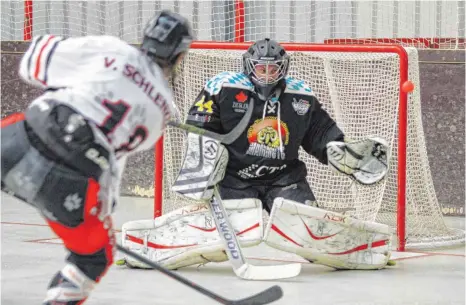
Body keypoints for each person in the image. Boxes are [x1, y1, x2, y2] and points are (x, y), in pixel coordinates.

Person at [120, 38, 392, 272]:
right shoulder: (223, 87)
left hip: (286, 179)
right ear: (249, 67)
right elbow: (199, 129)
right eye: (261, 68)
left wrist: (339, 151)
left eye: (273, 68)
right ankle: (146, 246)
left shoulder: (301, 94)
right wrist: (203, 166)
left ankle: (368, 248)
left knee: (307, 232)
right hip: (233, 179)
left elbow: (320, 133)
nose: (267, 74)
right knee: (221, 240)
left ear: (283, 69)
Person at [1, 10, 193, 305]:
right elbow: (112, 160)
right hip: (73, 182)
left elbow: (33, 62)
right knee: (94, 258)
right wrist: (98, 216)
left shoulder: (113, 49)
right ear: (179, 56)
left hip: (23, 138)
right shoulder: (163, 110)